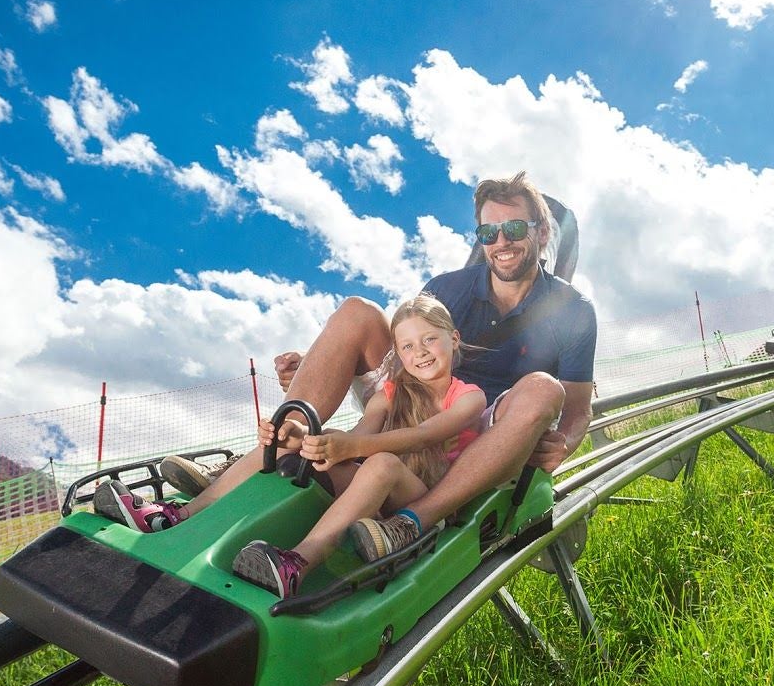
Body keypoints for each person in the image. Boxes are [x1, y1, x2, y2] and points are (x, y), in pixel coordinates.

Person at [128, 171, 597, 566]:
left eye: (515, 230)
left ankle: (416, 519)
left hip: (488, 421)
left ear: (540, 233)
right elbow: (402, 368)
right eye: (488, 233)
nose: (501, 243)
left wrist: (566, 443)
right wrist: (316, 371)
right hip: (421, 393)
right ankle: (273, 453)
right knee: (356, 310)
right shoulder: (448, 288)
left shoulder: (573, 311)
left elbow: (576, 410)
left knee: (542, 387)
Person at [223, 293, 485, 597]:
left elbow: (424, 435)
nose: (420, 353)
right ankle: (197, 515)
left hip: (425, 503)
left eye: (429, 339)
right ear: (398, 353)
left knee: (383, 462)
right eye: (408, 346)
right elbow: (360, 433)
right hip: (380, 492)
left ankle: (297, 564)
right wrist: (303, 436)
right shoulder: (390, 393)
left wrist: (351, 446)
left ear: (453, 339)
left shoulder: (469, 397)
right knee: (316, 449)